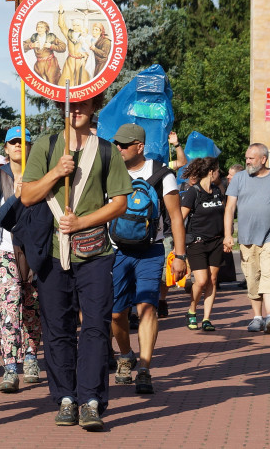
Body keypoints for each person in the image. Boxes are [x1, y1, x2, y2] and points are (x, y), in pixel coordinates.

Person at [20, 95, 131, 432]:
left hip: (95, 252)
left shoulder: (107, 151)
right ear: (62, 109)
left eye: (84, 104)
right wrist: (57, 171)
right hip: (53, 253)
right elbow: (26, 196)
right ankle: (66, 398)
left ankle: (92, 400)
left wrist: (83, 223)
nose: (77, 110)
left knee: (96, 327)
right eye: (71, 106)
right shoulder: (46, 145)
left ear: (94, 106)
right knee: (57, 329)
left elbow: (120, 203)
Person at [109, 124, 187, 396]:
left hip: (151, 250)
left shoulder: (162, 174)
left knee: (147, 308)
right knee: (116, 313)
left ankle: (143, 368)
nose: (118, 148)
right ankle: (126, 354)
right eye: (116, 144)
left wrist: (179, 256)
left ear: (139, 146)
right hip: (116, 250)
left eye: (124, 144)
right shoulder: (110, 171)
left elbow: (176, 217)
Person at [0, 126, 41, 393]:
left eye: (24, 141)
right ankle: (10, 367)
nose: (19, 145)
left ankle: (32, 358)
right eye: (13, 142)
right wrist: (16, 197)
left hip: (33, 250)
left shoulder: (39, 174)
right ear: (6, 148)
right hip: (4, 249)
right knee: (10, 309)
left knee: (32, 306)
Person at [223, 144, 270, 334]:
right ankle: (257, 318)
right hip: (246, 238)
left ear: (263, 159)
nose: (247, 161)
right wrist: (228, 235)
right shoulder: (239, 178)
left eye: (251, 158)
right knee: (252, 279)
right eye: (246, 158)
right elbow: (229, 208)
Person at [180, 157, 225, 331]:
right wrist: (179, 245)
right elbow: (180, 219)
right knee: (201, 281)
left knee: (212, 280)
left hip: (216, 241)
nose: (219, 173)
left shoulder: (217, 191)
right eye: (217, 170)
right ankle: (192, 310)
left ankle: (206, 318)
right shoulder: (193, 192)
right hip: (197, 242)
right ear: (210, 171)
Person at [56, 6, 93, 87]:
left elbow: (88, 49)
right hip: (70, 61)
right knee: (66, 80)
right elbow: (61, 25)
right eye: (74, 25)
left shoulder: (85, 36)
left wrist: (85, 57)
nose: (75, 27)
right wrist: (61, 13)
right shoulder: (69, 34)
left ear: (81, 26)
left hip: (81, 61)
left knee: (83, 81)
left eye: (78, 25)